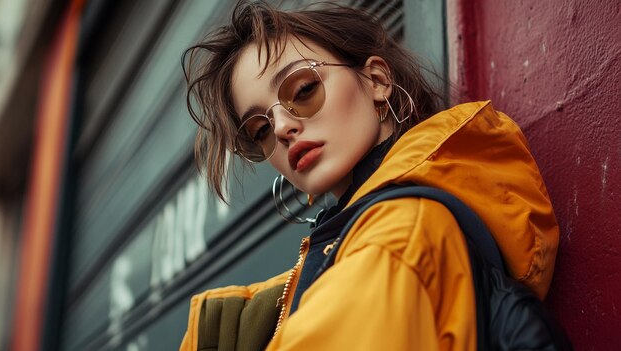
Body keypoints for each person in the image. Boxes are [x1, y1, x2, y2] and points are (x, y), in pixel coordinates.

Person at [179, 1, 560, 350]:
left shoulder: (397, 234)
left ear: (377, 81)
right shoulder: (352, 247)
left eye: (303, 89)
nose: (280, 127)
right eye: (259, 129)